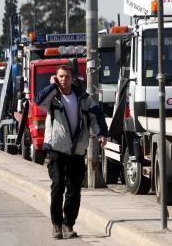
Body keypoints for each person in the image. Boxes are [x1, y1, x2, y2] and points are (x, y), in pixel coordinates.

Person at [35, 64, 108, 239]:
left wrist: (102, 133)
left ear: (72, 78)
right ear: (56, 78)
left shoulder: (83, 98)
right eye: (60, 76)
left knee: (74, 189)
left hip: (76, 150)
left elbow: (96, 114)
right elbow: (38, 101)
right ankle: (56, 224)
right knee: (58, 185)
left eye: (67, 76)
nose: (64, 80)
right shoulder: (53, 97)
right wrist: (52, 86)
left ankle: (68, 224)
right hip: (57, 149)